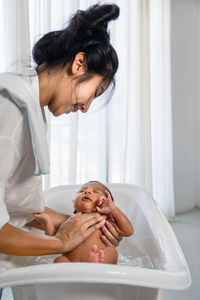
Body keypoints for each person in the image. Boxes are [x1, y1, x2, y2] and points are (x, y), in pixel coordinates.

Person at [0, 3, 121, 273]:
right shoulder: (9, 107)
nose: (87, 107)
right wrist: (62, 242)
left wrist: (88, 226)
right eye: (95, 92)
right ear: (79, 64)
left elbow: (15, 206)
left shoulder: (30, 106)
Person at [32, 181, 134, 264]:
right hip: (72, 264)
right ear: (74, 209)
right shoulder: (70, 223)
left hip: (99, 262)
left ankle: (95, 264)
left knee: (112, 252)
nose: (87, 191)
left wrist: (113, 210)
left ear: (106, 203)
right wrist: (47, 222)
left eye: (95, 191)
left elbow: (128, 231)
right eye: (82, 191)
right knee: (59, 260)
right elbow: (55, 239)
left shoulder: (104, 221)